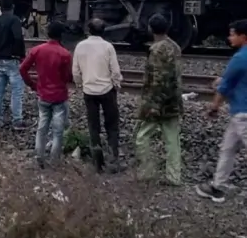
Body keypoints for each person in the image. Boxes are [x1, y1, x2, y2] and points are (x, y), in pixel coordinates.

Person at [197, 19, 247, 202]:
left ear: (243, 36)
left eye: (233, 34)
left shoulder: (240, 58)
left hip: (244, 113)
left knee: (229, 149)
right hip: (238, 113)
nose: (229, 37)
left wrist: (213, 107)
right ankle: (218, 186)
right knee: (227, 148)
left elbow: (224, 87)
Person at [134, 14, 183, 185]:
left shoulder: (156, 50)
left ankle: (147, 172)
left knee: (142, 137)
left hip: (157, 103)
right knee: (172, 141)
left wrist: (152, 105)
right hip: (173, 102)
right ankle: (174, 176)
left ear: (150, 29)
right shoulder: (175, 47)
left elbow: (157, 80)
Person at [73, 18, 123, 173]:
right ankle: (113, 158)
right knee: (112, 125)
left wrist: (80, 84)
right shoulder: (108, 47)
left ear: (89, 30)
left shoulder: (80, 46)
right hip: (107, 90)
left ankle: (98, 163)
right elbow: (115, 70)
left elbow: (75, 71)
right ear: (104, 31)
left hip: (89, 91)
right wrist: (117, 83)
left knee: (94, 126)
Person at [20, 21, 72, 168]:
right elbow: (68, 77)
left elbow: (23, 69)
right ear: (61, 35)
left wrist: (32, 85)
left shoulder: (37, 50)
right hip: (59, 96)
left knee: (42, 127)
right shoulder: (65, 54)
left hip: (43, 95)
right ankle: (55, 160)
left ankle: (39, 157)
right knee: (58, 130)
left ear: (47, 33)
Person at [0, 0, 27, 130]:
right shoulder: (14, 20)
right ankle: (17, 120)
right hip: (12, 59)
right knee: (16, 91)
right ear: (13, 6)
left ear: (0, 7)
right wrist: (21, 55)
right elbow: (18, 38)